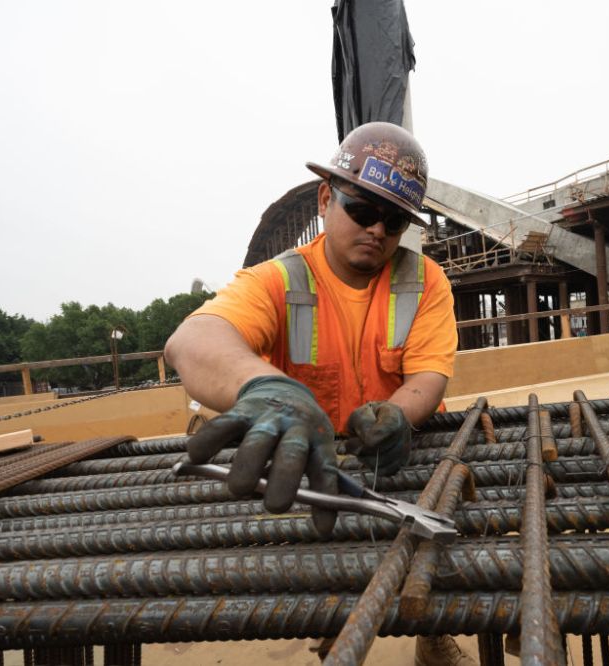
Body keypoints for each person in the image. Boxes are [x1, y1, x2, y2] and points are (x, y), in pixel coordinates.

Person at [165, 122, 471, 665]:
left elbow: (428, 376)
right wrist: (267, 387)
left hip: (403, 449)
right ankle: (337, 629)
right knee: (329, 553)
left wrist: (398, 414)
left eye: (394, 219)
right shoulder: (276, 281)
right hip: (310, 455)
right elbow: (192, 340)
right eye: (361, 210)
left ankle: (433, 633)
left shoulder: (426, 281)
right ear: (328, 198)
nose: (377, 229)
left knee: (435, 533)